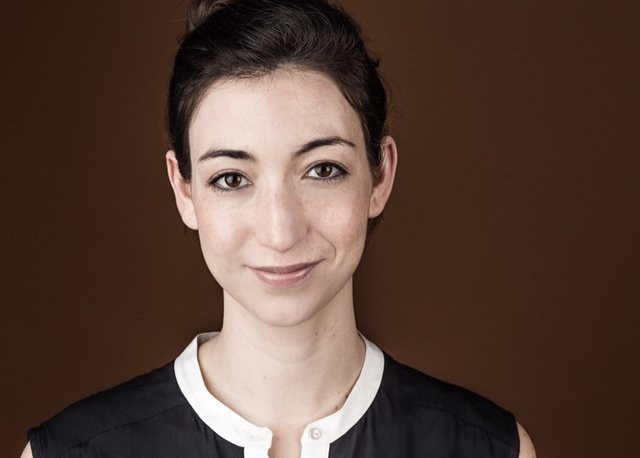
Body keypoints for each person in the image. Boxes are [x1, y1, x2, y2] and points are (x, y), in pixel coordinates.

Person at [22, 0, 536, 457]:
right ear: (184, 191)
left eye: (323, 169)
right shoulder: (71, 452)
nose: (280, 231)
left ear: (380, 175)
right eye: (231, 178)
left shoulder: (489, 448)